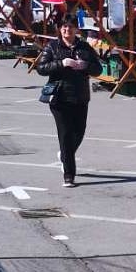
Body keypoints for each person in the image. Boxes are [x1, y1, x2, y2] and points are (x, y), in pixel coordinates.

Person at [34, 17, 101, 188]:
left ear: (76, 30)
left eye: (70, 27)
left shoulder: (84, 47)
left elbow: (98, 68)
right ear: (59, 29)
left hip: (80, 97)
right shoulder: (53, 46)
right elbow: (41, 68)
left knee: (79, 132)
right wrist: (61, 63)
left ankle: (64, 155)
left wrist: (84, 65)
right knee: (65, 135)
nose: (67, 30)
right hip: (59, 97)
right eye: (64, 27)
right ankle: (69, 175)